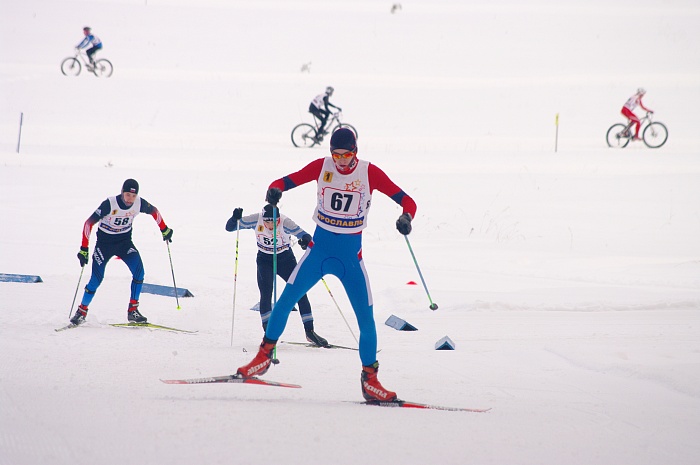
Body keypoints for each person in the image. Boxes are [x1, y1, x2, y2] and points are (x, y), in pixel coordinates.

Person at [236, 128, 417, 402]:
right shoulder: (322, 167)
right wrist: (274, 191)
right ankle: (262, 358)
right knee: (285, 302)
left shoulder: (369, 172)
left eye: (347, 155)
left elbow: (408, 201)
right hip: (318, 253)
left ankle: (370, 381)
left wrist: (406, 217)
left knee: (366, 321)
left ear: (356, 152)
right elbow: (284, 181)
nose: (341, 161)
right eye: (336, 155)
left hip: (350, 260)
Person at [69, 179, 174, 326]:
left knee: (139, 272)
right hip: (104, 245)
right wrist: (84, 249)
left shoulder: (139, 203)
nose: (130, 199)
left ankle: (133, 310)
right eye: (127, 195)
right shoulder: (110, 204)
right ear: (122, 192)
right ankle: (81, 311)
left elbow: (154, 211)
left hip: (124, 243)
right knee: (96, 279)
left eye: (133, 196)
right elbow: (88, 223)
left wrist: (164, 229)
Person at [225, 204, 329, 347]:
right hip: (265, 260)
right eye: (267, 222)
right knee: (266, 293)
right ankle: (268, 333)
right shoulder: (256, 219)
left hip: (285, 259)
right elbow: (230, 228)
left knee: (299, 292)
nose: (270, 225)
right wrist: (234, 218)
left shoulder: (285, 222)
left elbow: (305, 235)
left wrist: (305, 242)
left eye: (274, 222)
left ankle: (310, 331)